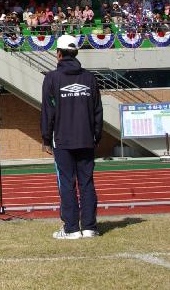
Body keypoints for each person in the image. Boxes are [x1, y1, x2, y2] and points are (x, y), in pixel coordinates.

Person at [41, 34, 103, 240]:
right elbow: (97, 111)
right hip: (86, 139)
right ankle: (89, 227)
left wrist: (46, 138)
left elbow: (48, 112)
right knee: (87, 183)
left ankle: (71, 229)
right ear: (75, 52)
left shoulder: (51, 78)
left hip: (63, 140)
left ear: (58, 54)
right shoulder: (89, 78)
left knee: (67, 183)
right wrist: (96, 136)